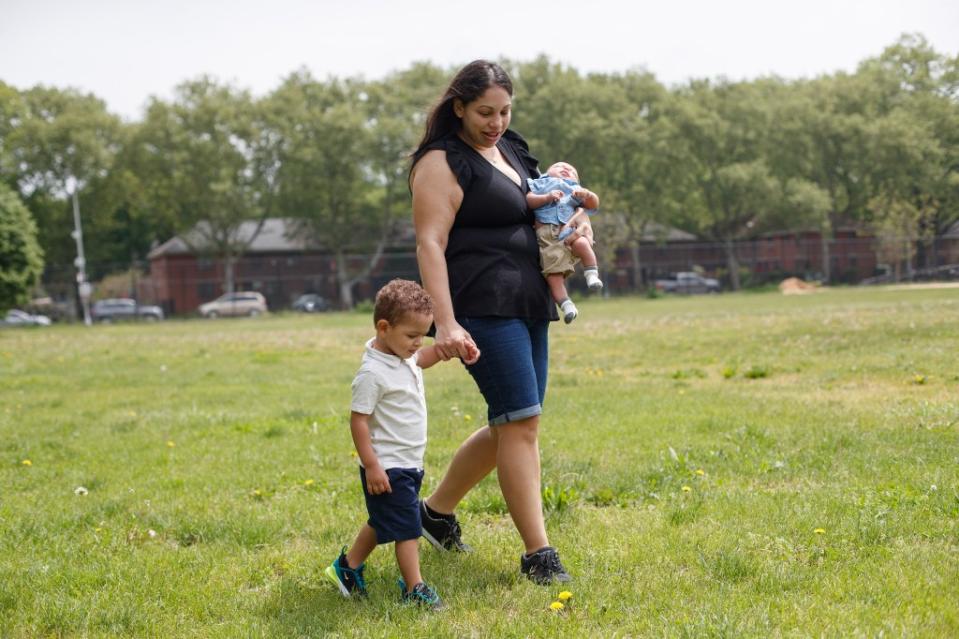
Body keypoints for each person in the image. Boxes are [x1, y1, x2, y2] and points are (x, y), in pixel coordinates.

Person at [409, 60, 592, 584]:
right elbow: (430, 244)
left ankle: (434, 514)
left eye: (505, 110)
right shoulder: (441, 163)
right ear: (459, 107)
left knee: (515, 419)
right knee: (521, 423)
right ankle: (539, 555)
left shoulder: (512, 147)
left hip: (528, 298)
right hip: (479, 303)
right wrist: (444, 323)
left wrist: (575, 216)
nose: (496, 121)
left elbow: (544, 207)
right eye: (485, 111)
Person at [325, 279, 477, 610]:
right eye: (411, 336)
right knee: (408, 528)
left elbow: (422, 358)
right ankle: (414, 587)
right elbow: (358, 421)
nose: (417, 343)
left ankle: (346, 568)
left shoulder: (402, 355)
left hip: (408, 463)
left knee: (383, 522)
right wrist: (373, 465)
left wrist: (448, 349)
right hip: (387, 465)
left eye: (422, 335)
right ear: (383, 327)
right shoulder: (372, 373)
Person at [526, 160, 603, 324]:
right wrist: (546, 197)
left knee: (582, 244)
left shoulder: (575, 189)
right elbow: (529, 199)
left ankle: (592, 274)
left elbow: (593, 204)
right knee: (554, 275)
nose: (566, 169)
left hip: (570, 232)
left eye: (572, 170)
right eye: (559, 166)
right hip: (549, 239)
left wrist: (588, 195)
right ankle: (566, 305)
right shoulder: (541, 184)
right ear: (546, 174)